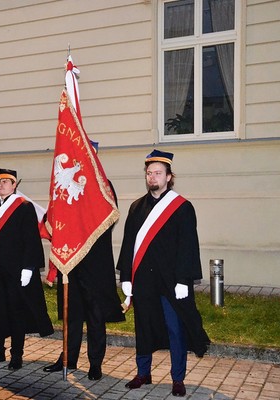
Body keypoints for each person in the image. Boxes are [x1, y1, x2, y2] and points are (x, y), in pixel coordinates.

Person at [117, 150, 210, 397]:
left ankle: (177, 378)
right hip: (144, 281)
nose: (152, 177)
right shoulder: (137, 207)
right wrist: (126, 277)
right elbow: (129, 244)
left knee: (175, 329)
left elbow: (188, 246)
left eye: (158, 173)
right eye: (149, 173)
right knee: (143, 327)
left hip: (171, 281)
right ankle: (143, 372)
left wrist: (183, 280)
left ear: (169, 176)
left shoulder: (182, 207)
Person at [0, 168, 54, 371]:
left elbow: (30, 239)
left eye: (6, 182)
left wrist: (29, 267)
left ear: (14, 184)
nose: (1, 185)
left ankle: (17, 354)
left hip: (16, 270)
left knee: (17, 312)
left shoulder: (24, 207)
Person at [42, 180, 125, 380]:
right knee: (72, 314)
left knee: (95, 315)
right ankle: (68, 358)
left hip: (95, 261)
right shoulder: (67, 181)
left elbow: (111, 215)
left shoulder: (103, 183)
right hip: (71, 261)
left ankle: (95, 363)